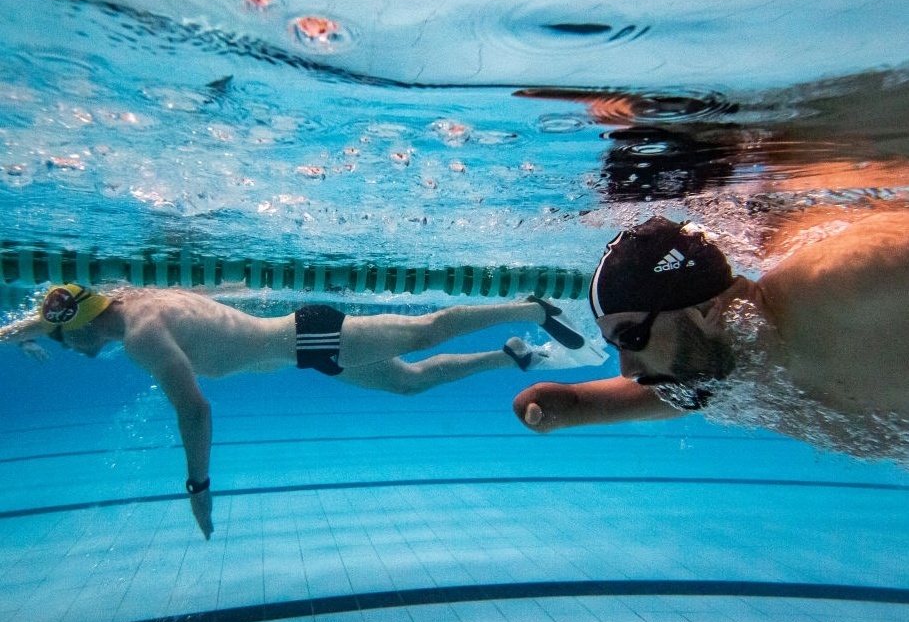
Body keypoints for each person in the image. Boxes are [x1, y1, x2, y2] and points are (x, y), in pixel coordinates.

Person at [1, 285, 587, 538]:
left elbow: (195, 412)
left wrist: (198, 485)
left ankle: (531, 310)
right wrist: (11, 331)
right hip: (304, 352)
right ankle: (512, 358)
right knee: (407, 384)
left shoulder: (141, 335)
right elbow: (50, 314)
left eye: (61, 339)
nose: (66, 350)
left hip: (307, 337)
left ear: (78, 325)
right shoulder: (118, 297)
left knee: (424, 332)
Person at [513, 212, 909, 463]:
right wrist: (578, 405)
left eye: (632, 338)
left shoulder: (852, 281)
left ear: (706, 312)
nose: (627, 369)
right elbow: (677, 390)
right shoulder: (735, 355)